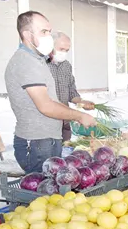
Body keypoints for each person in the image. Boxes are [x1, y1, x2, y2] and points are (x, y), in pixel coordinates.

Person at [6, 11, 96, 174]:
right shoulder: (26, 63)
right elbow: (46, 106)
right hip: (36, 143)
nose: (48, 36)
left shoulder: (36, 60)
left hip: (46, 140)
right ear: (27, 34)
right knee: (41, 193)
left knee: (50, 194)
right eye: (44, 32)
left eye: (49, 31)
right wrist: (79, 115)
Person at [47, 32, 95, 143]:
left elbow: (71, 93)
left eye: (66, 50)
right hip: (49, 123)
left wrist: (82, 102)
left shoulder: (66, 65)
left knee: (65, 153)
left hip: (65, 122)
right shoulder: (42, 65)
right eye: (61, 49)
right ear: (51, 46)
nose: (63, 53)